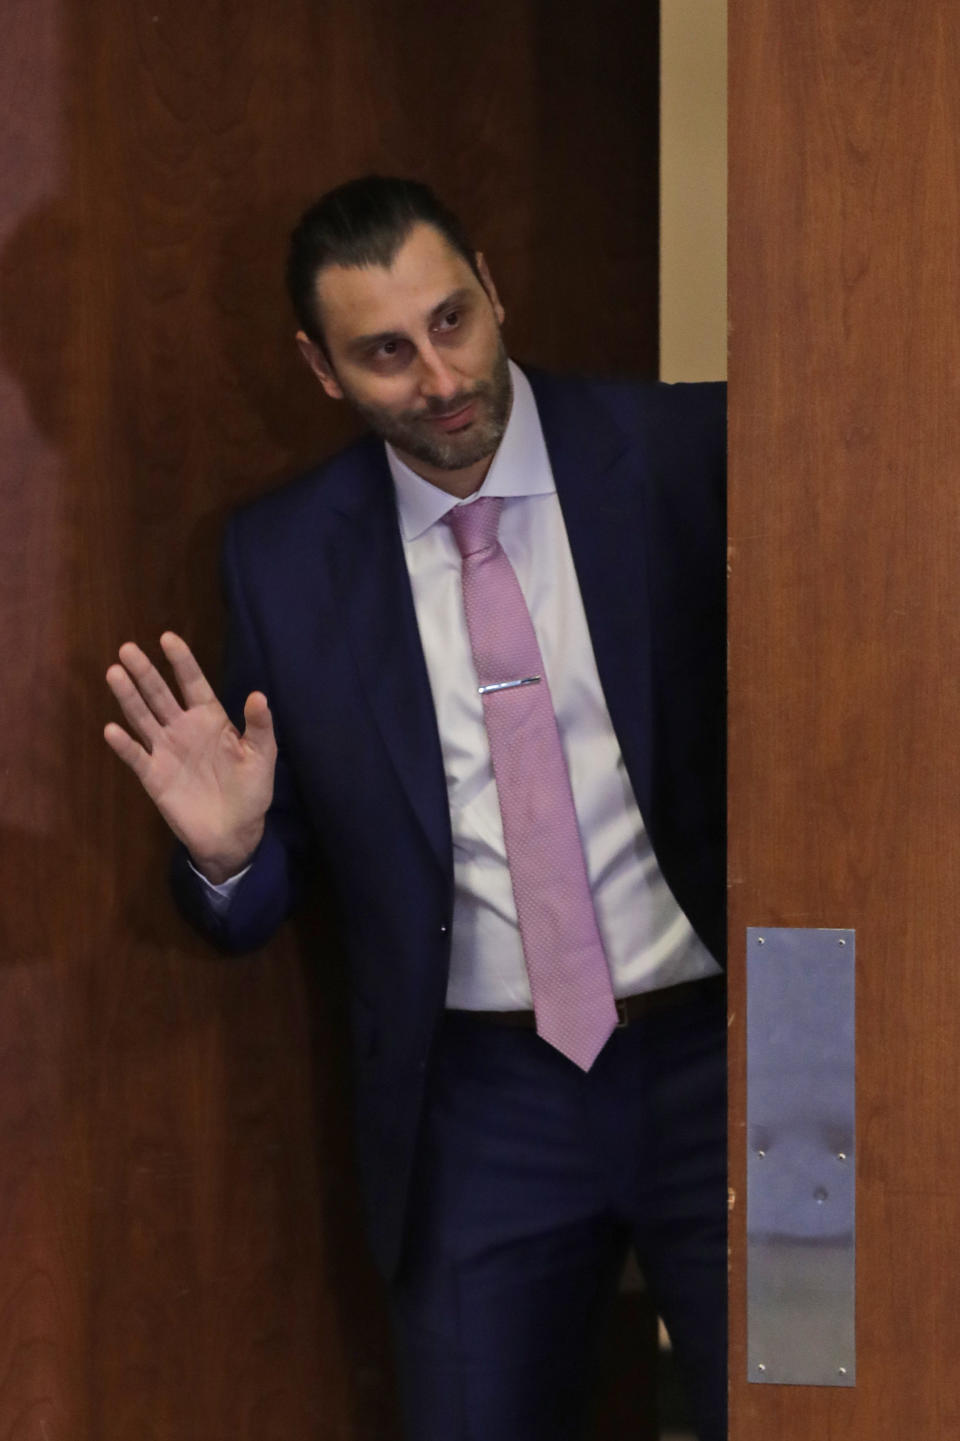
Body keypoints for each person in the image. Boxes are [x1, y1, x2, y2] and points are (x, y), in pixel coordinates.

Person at [104, 176, 727, 1441]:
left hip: (729, 1057)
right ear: (321, 369)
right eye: (386, 352)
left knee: (819, 1401)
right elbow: (267, 874)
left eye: (453, 321)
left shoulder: (681, 451)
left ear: (494, 290)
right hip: (480, 1102)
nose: (439, 376)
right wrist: (227, 857)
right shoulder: (282, 558)